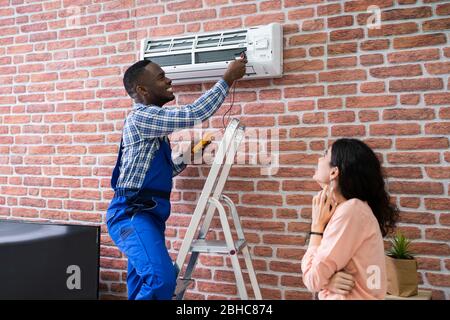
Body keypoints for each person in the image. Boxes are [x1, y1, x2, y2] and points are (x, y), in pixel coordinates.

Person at [106, 56, 248, 300]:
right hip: (131, 215)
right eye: (161, 77)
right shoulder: (142, 117)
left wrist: (186, 156)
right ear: (142, 89)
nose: (169, 80)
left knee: (142, 283)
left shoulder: (154, 129)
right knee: (161, 279)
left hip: (150, 215)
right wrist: (227, 79)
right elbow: (194, 113)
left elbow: (162, 169)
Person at [301, 138, 399, 299]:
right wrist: (327, 282)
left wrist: (317, 228)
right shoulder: (350, 210)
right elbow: (318, 278)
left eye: (325, 154)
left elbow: (312, 279)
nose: (319, 159)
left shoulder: (351, 211)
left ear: (334, 172)